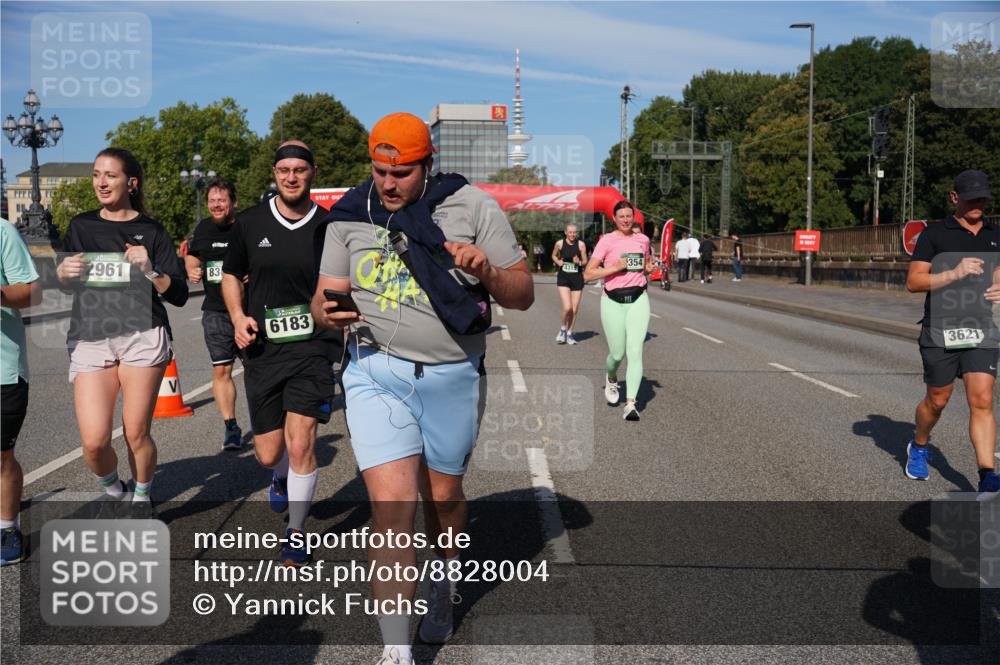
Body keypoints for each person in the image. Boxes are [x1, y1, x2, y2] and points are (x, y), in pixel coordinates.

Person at [313, 111, 533, 665]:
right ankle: (396, 651)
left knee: (445, 500)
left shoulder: (471, 205)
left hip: (451, 376)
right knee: (392, 510)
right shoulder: (348, 214)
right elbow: (325, 298)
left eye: (402, 173)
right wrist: (326, 313)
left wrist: (486, 271)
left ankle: (442, 582)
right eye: (380, 170)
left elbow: (523, 293)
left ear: (426, 165)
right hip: (375, 373)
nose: (388, 183)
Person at [222, 141, 342, 566]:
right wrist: (238, 317)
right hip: (264, 349)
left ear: (312, 172)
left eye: (300, 169)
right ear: (274, 174)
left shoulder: (330, 226)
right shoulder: (250, 223)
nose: (291, 177)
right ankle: (279, 477)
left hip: (313, 347)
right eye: (283, 170)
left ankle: (296, 532)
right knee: (271, 452)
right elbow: (232, 274)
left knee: (303, 441)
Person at [56, 147, 189, 514]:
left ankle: (143, 498)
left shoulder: (152, 231)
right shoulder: (81, 227)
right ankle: (118, 491)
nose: (101, 182)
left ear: (130, 182)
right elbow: (66, 284)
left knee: (135, 431)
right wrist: (62, 275)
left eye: (110, 175)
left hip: (142, 335)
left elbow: (177, 293)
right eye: (97, 174)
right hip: (92, 335)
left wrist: (150, 269)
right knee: (95, 442)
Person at [904, 169, 1000, 493]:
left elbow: (999, 272)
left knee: (982, 399)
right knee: (938, 400)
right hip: (940, 329)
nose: (978, 203)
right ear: (954, 198)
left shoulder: (994, 234)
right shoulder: (934, 235)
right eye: (972, 197)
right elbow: (914, 282)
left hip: (981, 329)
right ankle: (918, 445)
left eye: (983, 197)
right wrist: (955, 273)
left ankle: (987, 475)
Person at [185, 178, 244, 451]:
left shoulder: (247, 227)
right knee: (222, 368)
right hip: (215, 311)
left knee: (258, 371)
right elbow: (192, 255)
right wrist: (192, 268)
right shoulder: (204, 228)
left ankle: (268, 422)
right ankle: (230, 426)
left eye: (221, 200)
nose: (216, 205)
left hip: (248, 311)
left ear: (233, 202)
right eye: (212, 201)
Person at [584, 200, 653, 422]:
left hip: (638, 298)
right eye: (621, 216)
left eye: (629, 216)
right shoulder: (607, 241)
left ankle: (631, 404)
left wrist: (649, 268)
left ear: (634, 217)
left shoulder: (643, 239)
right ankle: (612, 377)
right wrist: (616, 267)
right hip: (612, 300)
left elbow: (646, 264)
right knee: (617, 353)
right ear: (614, 218)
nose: (626, 219)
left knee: (635, 351)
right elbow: (588, 274)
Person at [1, 219, 42, 565]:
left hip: (3, 370)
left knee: (0, 458)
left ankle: (7, 527)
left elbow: (32, 291)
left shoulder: (3, 233)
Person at [551, 224, 588, 344]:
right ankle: (562, 329)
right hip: (564, 278)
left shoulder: (581, 245)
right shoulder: (560, 243)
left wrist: (579, 263)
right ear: (565, 232)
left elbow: (585, 261)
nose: (572, 235)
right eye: (570, 232)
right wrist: (558, 261)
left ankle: (570, 333)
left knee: (574, 309)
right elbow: (553, 255)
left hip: (577, 278)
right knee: (567, 307)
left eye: (574, 232)